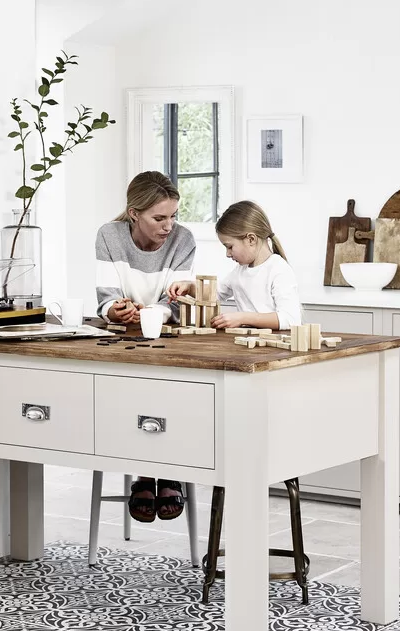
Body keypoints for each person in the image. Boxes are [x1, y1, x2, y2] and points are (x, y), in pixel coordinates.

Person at [95, 171, 196, 523]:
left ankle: (164, 473)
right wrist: (114, 310)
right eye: (159, 218)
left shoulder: (183, 240)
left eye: (173, 216)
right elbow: (105, 298)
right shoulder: (109, 235)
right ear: (134, 213)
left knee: (169, 392)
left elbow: (179, 302)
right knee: (128, 397)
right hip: (122, 338)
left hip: (167, 337)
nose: (169, 226)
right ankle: (145, 472)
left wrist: (156, 311)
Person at [169, 200, 301, 331]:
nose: (227, 254)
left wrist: (242, 318)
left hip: (274, 348)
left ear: (251, 239)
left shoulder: (278, 269)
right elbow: (215, 294)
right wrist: (189, 287)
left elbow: (290, 319)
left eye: (230, 247)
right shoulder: (240, 271)